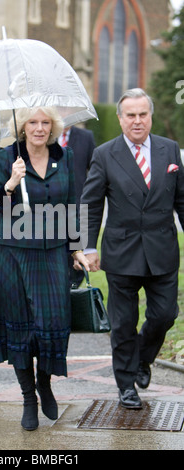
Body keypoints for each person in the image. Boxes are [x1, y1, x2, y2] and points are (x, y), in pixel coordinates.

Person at [0, 107, 89, 430]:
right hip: (12, 254)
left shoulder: (65, 157)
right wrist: (12, 183)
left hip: (52, 254)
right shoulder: (5, 157)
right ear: (23, 127)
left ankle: (45, 382)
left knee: (51, 323)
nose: (40, 128)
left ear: (53, 127)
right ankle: (29, 397)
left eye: (45, 123)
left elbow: (74, 201)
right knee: (20, 326)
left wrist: (77, 247)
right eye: (33, 122)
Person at [80, 88, 184, 409]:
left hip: (162, 250)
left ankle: (142, 358)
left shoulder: (170, 150)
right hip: (121, 252)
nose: (137, 121)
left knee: (166, 313)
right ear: (120, 118)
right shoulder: (104, 154)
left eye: (143, 114)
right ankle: (126, 385)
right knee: (123, 323)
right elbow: (91, 203)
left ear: (150, 116)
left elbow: (181, 200)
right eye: (131, 115)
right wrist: (87, 246)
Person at [59, 126, 95, 286]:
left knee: (76, 253)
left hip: (78, 204)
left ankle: (73, 288)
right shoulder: (45, 135)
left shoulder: (86, 136)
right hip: (51, 207)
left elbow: (94, 170)